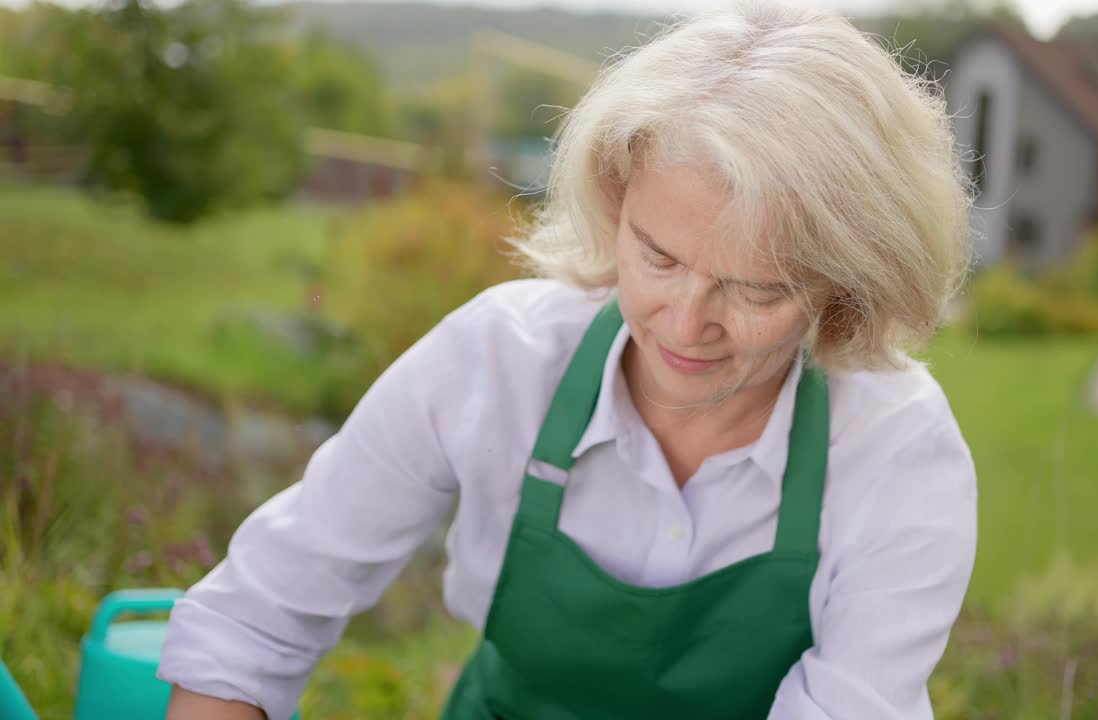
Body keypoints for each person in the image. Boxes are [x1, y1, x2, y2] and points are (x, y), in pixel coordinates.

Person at [159, 1, 977, 718]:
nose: (686, 325)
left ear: (846, 284)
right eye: (656, 257)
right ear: (615, 200)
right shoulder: (497, 361)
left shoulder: (896, 455)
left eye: (756, 291)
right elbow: (256, 618)